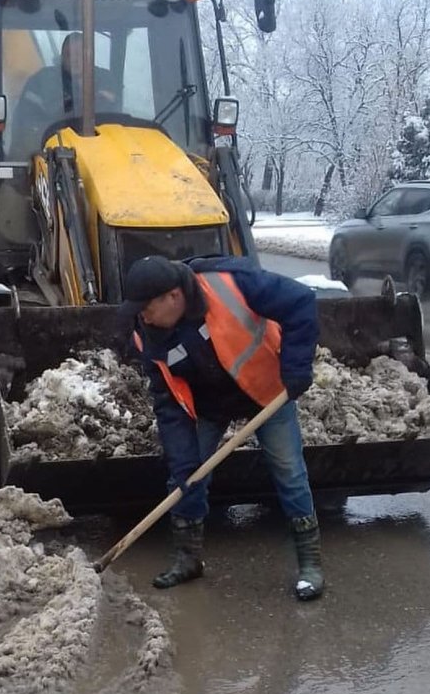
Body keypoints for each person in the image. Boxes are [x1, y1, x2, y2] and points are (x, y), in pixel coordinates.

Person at [121, 254, 324, 600]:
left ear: (173, 296)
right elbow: (168, 403)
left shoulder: (228, 284)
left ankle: (310, 565)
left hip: (267, 391)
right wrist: (184, 464)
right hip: (208, 406)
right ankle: (188, 559)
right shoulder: (148, 336)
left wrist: (296, 367)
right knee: (185, 478)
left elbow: (300, 302)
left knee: (289, 470)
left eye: (147, 307)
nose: (143, 315)